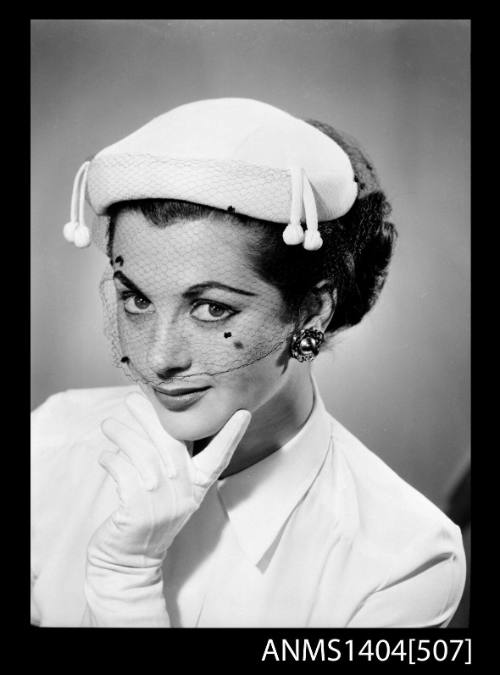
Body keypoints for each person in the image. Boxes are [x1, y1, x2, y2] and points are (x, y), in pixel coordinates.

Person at [31, 98, 466, 627]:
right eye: (137, 300)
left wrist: (126, 582)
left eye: (212, 309)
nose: (159, 358)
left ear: (311, 310)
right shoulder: (51, 445)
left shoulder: (405, 558)